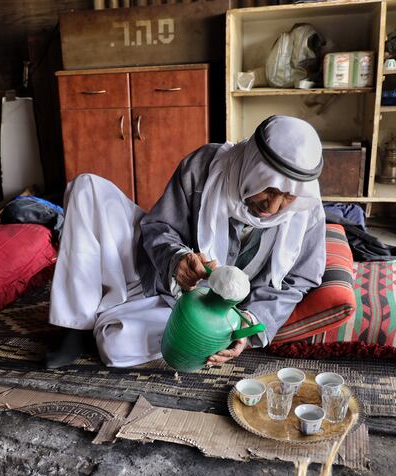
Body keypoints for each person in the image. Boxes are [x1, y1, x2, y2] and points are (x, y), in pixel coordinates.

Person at [46, 115, 326, 369]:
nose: (275, 207)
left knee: (115, 348)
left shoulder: (306, 211)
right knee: (86, 188)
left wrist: (249, 324)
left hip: (194, 308)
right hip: (150, 267)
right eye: (270, 189)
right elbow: (158, 226)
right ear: (252, 166)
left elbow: (299, 280)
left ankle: (111, 310)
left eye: (288, 196)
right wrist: (176, 258)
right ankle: (76, 326)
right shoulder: (205, 166)